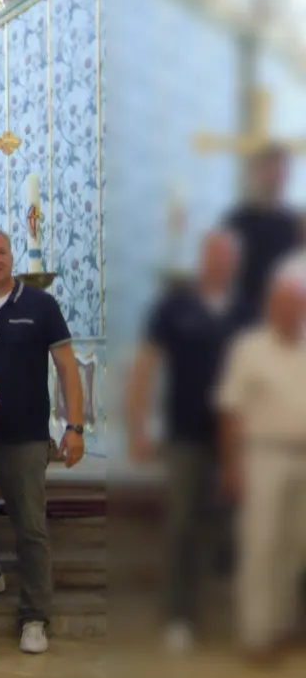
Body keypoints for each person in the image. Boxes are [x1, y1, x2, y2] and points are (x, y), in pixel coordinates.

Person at [0, 227, 86, 655]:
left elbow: (67, 367)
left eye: (1, 252)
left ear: (11, 257)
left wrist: (75, 426)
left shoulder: (41, 305)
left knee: (30, 527)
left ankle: (34, 617)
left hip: (24, 434)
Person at [124, 229, 239, 653]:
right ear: (202, 259)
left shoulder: (246, 310)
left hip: (239, 439)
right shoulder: (175, 307)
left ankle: (231, 610)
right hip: (186, 434)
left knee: (233, 526)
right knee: (181, 525)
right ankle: (179, 616)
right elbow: (145, 365)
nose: (219, 263)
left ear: (235, 263)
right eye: (213, 255)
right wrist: (137, 426)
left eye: (227, 257)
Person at [214, 272, 306, 663]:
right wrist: (231, 466)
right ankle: (256, 634)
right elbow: (230, 410)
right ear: (271, 308)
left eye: (297, 305)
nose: (290, 312)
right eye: (283, 305)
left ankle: (281, 627)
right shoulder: (249, 349)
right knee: (261, 545)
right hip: (263, 456)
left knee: (295, 547)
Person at [225, 144, 303, 324]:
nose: (274, 177)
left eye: (279, 171)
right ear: (256, 173)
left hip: (285, 312)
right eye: (269, 169)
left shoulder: (294, 224)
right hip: (243, 310)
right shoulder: (237, 220)